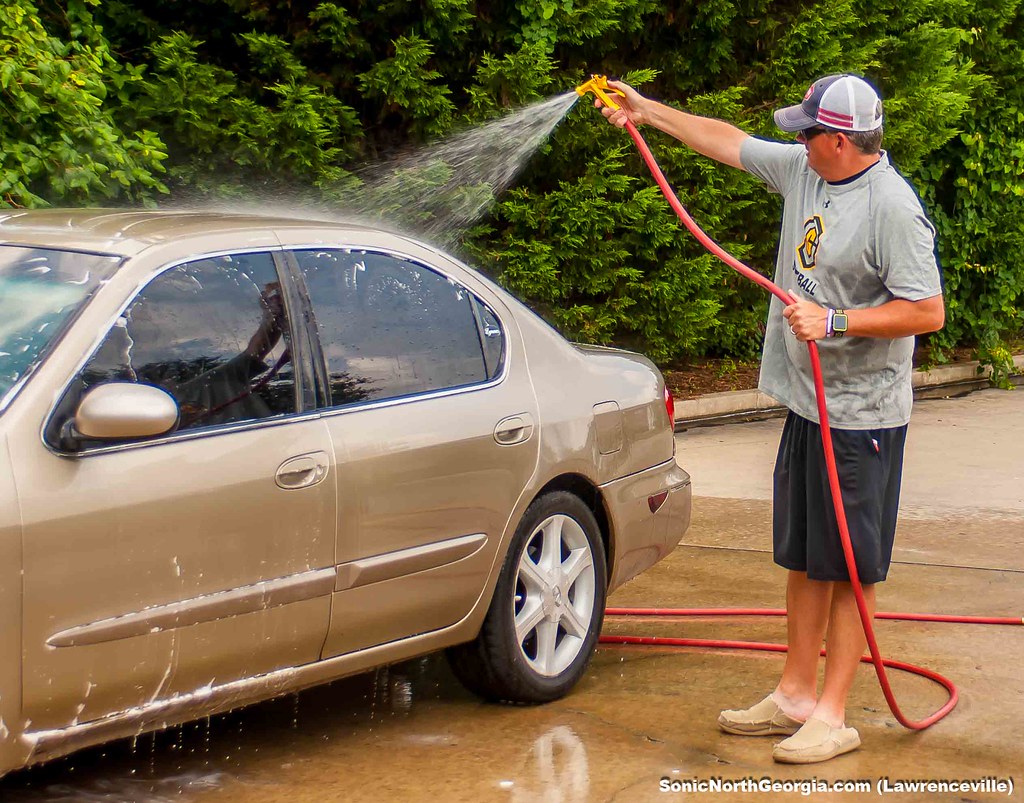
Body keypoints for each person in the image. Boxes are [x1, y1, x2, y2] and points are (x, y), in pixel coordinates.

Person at [599, 74, 945, 763]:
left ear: (839, 141)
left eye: (808, 132)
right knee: (804, 554)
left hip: (860, 416)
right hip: (808, 405)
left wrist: (835, 319)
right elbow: (730, 144)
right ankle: (793, 691)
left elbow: (927, 310)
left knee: (849, 566)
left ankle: (834, 711)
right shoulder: (806, 171)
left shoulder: (892, 210)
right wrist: (648, 111)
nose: (797, 142)